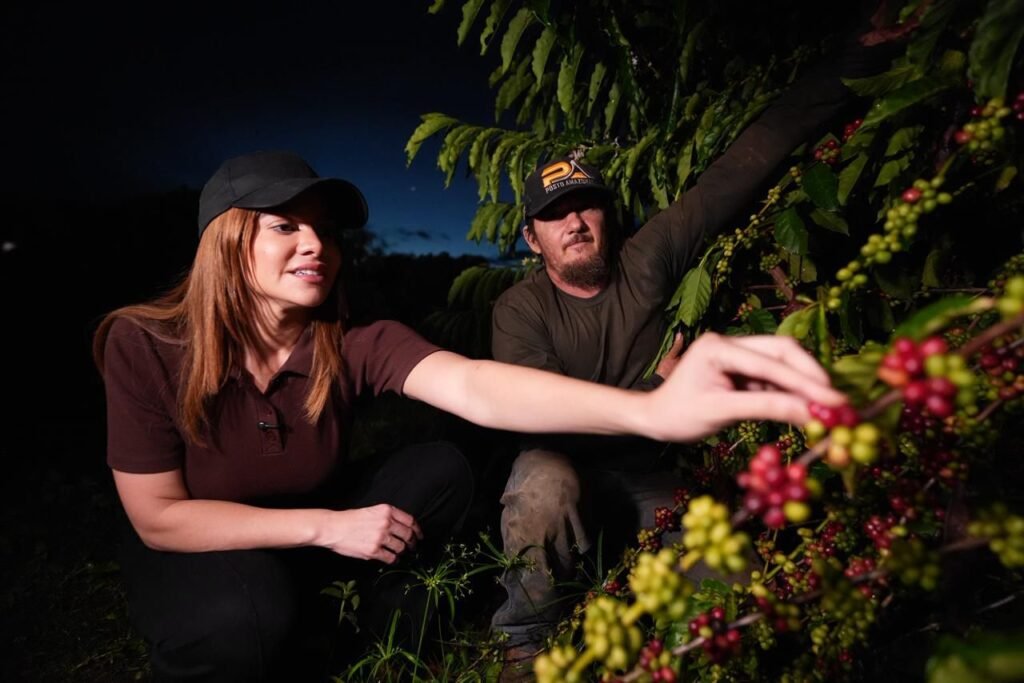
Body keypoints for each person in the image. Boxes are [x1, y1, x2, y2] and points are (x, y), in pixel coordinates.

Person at [94, 149, 844, 682]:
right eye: (284, 226)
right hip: (204, 539)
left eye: (322, 226)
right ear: (227, 243)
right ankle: (274, 628)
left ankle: (360, 636)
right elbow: (160, 518)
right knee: (245, 618)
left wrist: (654, 410)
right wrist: (327, 527)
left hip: (308, 518)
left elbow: (478, 385)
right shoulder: (145, 342)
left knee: (443, 470)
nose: (316, 243)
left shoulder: (351, 341)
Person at [489, 13, 906, 670]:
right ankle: (522, 637)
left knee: (740, 594)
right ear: (532, 239)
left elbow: (737, 170)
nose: (574, 222)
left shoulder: (644, 259)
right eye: (553, 214)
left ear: (607, 216)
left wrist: (853, 60)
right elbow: (543, 418)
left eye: (585, 205)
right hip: (564, 476)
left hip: (651, 479)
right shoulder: (519, 309)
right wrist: (660, 388)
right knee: (544, 483)